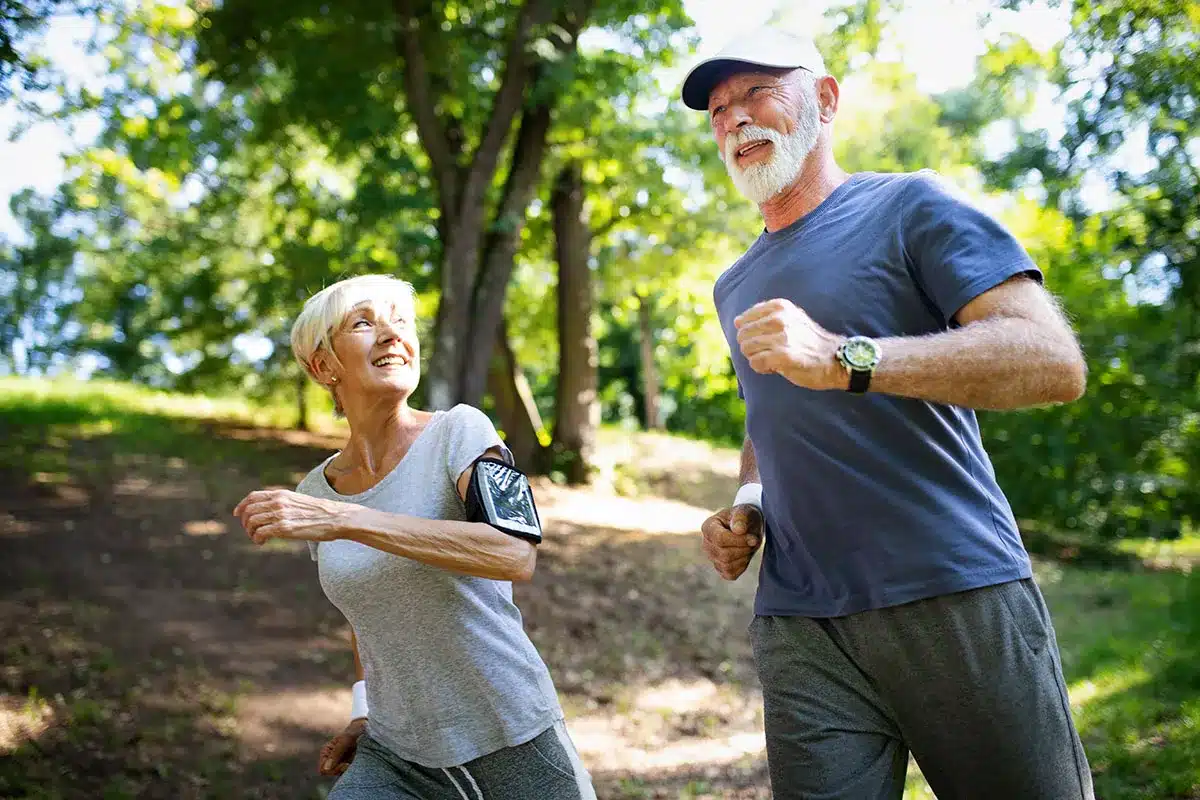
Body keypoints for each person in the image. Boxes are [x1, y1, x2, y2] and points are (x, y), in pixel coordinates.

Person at [680, 26, 1095, 800]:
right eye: (717, 110)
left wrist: (847, 358)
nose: (733, 119)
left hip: (949, 588)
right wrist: (747, 505)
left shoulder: (910, 205)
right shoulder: (733, 283)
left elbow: (1051, 360)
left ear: (825, 99)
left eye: (755, 93)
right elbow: (767, 416)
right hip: (801, 621)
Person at [232, 274, 595, 800]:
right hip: (398, 753)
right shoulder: (317, 490)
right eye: (363, 323)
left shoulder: (462, 432)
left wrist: (344, 520)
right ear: (322, 365)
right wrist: (363, 711)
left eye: (400, 321)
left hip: (510, 734)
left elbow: (515, 552)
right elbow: (370, 608)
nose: (390, 334)